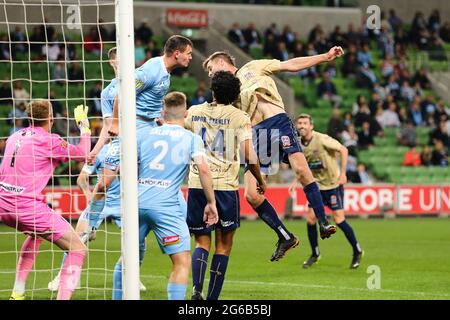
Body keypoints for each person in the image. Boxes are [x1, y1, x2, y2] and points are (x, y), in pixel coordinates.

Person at [202, 48, 342, 259]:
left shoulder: (253, 66)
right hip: (258, 136)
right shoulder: (225, 93)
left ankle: (322, 222)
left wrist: (325, 57)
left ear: (222, 62)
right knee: (251, 195)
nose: (211, 74)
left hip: (278, 122)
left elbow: (290, 64)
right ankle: (285, 236)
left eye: (211, 68)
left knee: (302, 172)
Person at [112, 92, 218, 300]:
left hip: (137, 202)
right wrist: (211, 202)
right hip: (166, 206)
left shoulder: (144, 135)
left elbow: (121, 168)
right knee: (181, 261)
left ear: (163, 112)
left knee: (127, 258)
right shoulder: (191, 138)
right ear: (186, 113)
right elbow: (204, 170)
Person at [185, 71, 267, 300]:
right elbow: (250, 155)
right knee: (223, 246)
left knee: (202, 241)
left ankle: (196, 289)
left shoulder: (194, 112)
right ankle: (211, 300)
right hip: (225, 187)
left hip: (197, 183)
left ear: (212, 90)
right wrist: (260, 180)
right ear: (235, 95)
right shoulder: (240, 117)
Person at [0, 101, 91, 300]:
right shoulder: (50, 140)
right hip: (26, 206)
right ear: (51, 118)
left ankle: (18, 292)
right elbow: (84, 153)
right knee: (78, 248)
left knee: (36, 235)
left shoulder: (14, 136)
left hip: (3, 203)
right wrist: (84, 125)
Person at [47, 141, 147, 292]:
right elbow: (81, 179)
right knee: (78, 237)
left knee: (139, 242)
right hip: (101, 201)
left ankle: (132, 276)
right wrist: (88, 195)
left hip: (125, 205)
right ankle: (63, 275)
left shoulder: (135, 149)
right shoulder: (102, 151)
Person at [291, 114, 363, 269]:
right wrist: (296, 180)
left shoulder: (322, 139)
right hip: (316, 187)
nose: (302, 126)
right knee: (310, 219)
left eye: (305, 123)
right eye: (299, 123)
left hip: (332, 185)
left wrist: (343, 173)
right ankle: (315, 254)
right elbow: (303, 165)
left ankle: (357, 250)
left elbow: (343, 150)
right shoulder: (298, 144)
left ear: (311, 126)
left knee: (338, 220)